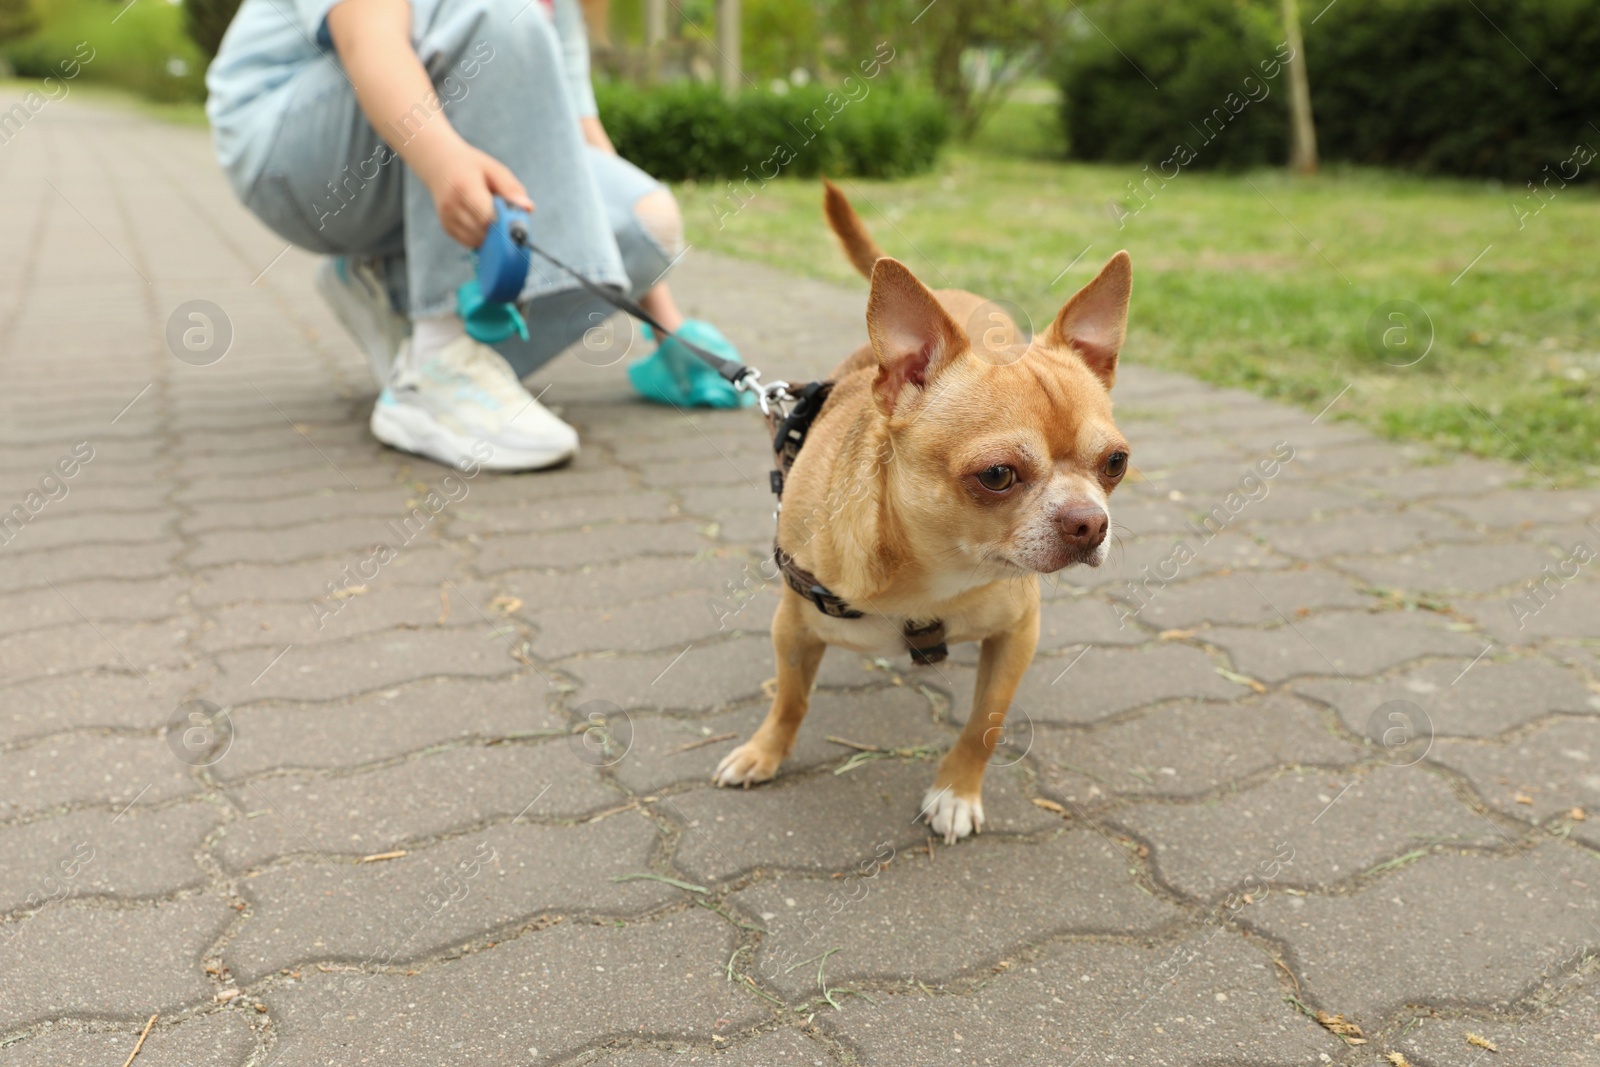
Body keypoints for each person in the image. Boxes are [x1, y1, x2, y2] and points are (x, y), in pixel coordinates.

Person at [205, 0, 750, 472]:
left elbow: (580, 144)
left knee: (646, 222)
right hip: (293, 150)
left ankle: (390, 289)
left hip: (407, 134)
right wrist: (445, 161)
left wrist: (666, 326)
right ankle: (437, 365)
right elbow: (367, 36)